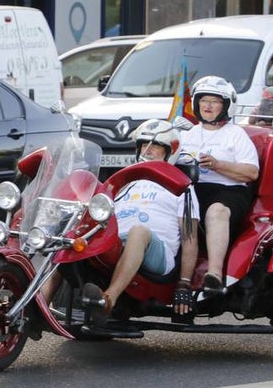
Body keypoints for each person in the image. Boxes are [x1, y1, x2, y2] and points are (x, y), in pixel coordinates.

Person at [42, 120, 200, 326]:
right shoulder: (127, 182)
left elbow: (190, 239)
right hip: (116, 242)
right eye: (144, 145)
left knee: (139, 231)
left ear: (171, 151)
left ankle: (108, 300)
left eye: (156, 146)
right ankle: (38, 306)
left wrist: (184, 285)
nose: (148, 151)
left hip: (158, 252)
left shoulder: (181, 187)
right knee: (70, 237)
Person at [178, 75, 260, 292]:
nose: (208, 106)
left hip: (229, 191)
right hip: (191, 189)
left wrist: (217, 165)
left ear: (225, 106)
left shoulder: (236, 134)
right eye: (204, 100)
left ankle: (214, 273)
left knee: (215, 212)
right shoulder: (187, 133)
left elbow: (251, 172)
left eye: (215, 102)